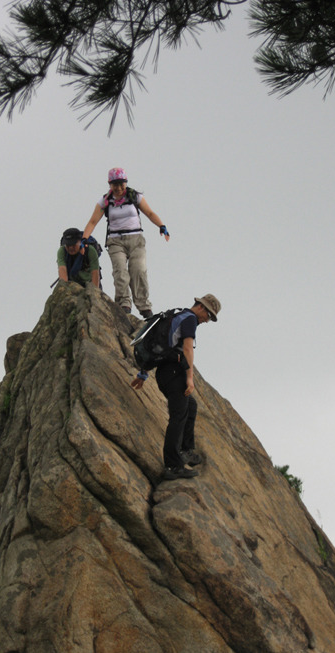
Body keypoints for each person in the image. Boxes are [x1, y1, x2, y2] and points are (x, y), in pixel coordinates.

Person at [131, 294, 221, 480]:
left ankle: (185, 450)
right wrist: (190, 378)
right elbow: (187, 349)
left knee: (191, 407)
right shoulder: (190, 319)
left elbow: (160, 345)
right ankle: (173, 465)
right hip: (173, 373)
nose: (207, 321)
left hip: (165, 373)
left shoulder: (177, 314)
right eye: (208, 316)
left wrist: (143, 373)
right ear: (201, 308)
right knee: (178, 417)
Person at [82, 167, 169, 318]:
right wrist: (84, 239)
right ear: (110, 184)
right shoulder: (105, 201)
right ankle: (124, 304)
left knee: (139, 270)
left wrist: (161, 226)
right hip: (116, 241)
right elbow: (93, 221)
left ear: (126, 183)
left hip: (136, 239)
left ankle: (144, 306)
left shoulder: (134, 196)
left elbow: (149, 213)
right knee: (120, 272)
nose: (119, 188)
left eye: (122, 184)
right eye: (115, 184)